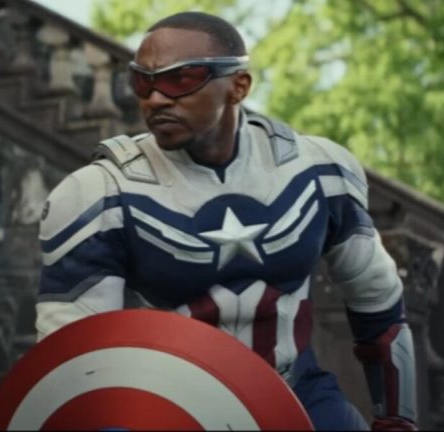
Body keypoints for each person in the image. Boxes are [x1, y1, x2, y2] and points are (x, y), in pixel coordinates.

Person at [36, 11, 417, 431]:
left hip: (299, 399)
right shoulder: (100, 192)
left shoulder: (320, 173)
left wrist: (397, 420)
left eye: (180, 80)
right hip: (167, 411)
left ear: (239, 85)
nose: (156, 99)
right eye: (143, 82)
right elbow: (74, 363)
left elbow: (380, 308)